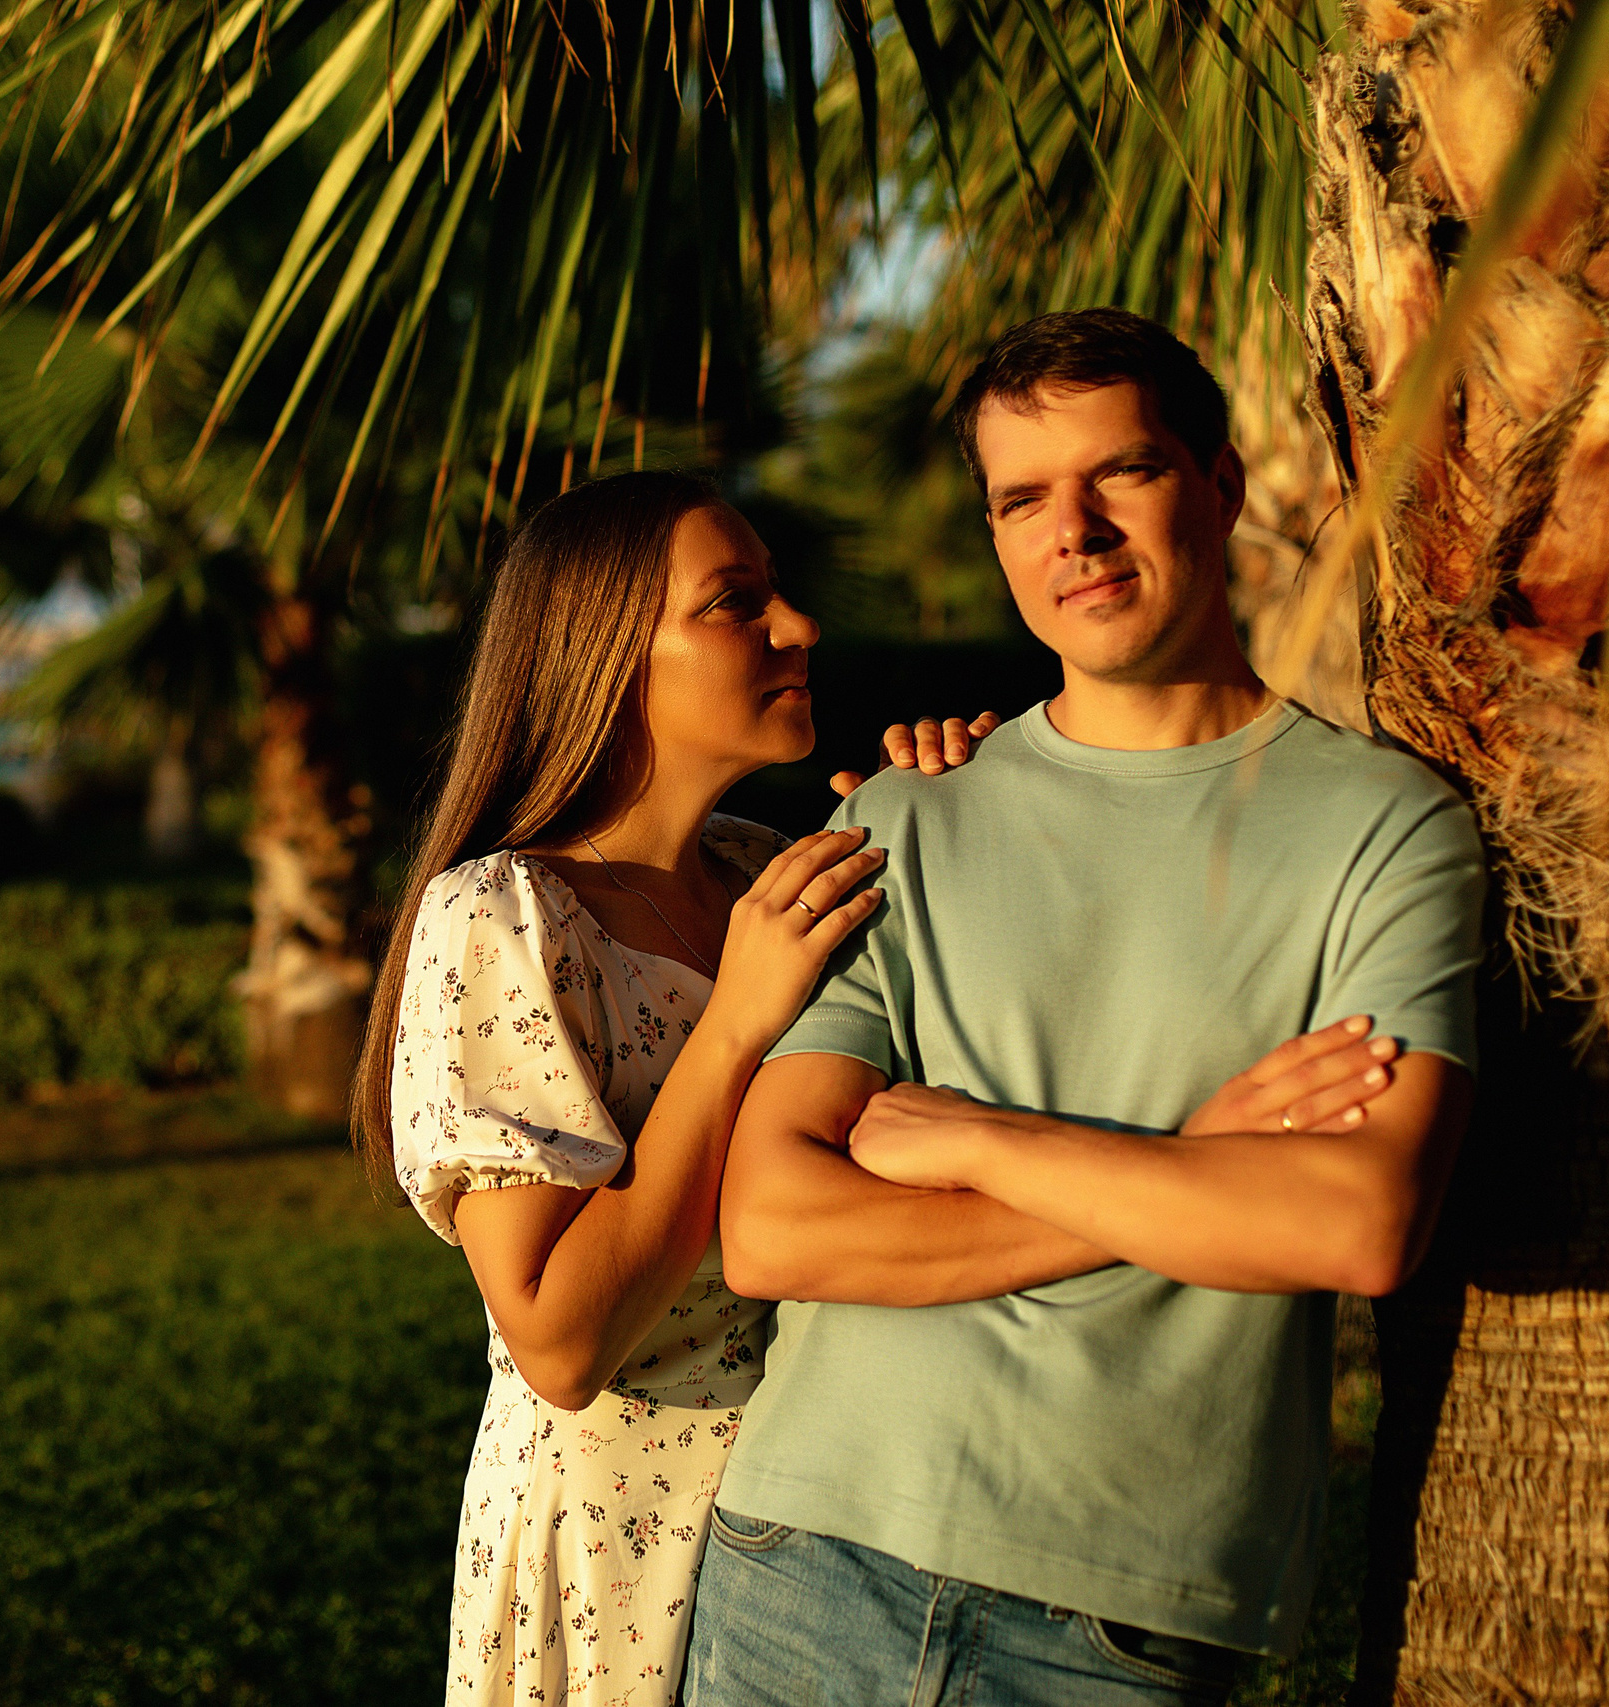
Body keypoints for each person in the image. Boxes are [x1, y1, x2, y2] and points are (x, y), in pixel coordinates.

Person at [354, 467, 1406, 1707]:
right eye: (734, 604)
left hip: (831, 1533)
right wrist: (738, 1016)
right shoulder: (504, 915)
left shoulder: (780, 872)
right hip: (619, 1563)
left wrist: (965, 799)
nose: (796, 627)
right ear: (604, 653)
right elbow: (559, 1337)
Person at [681, 308, 1487, 1706]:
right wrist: (1197, 1161)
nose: (1077, 530)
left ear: (1221, 484)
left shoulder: (1387, 825)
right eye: (1022, 498)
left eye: (1123, 473)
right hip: (806, 1555)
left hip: (1121, 1617)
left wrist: (979, 1138)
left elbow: (1355, 1222)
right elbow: (774, 1223)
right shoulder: (902, 818)